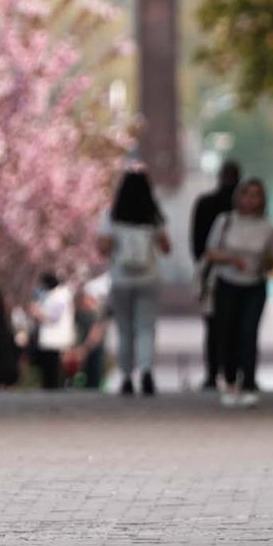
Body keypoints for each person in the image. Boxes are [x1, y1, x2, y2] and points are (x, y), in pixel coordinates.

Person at [203, 176, 273, 408]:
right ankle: (229, 380)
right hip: (227, 283)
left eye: (256, 195)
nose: (250, 200)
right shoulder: (225, 221)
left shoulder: (267, 227)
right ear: (239, 197)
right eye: (247, 194)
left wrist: (264, 263)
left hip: (254, 285)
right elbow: (210, 252)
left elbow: (272, 259)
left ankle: (249, 383)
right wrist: (231, 259)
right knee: (227, 333)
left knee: (249, 333)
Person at [98, 168, 171, 396]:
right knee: (146, 327)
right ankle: (146, 371)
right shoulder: (153, 217)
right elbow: (166, 247)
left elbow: (103, 248)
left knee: (124, 329)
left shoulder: (112, 216)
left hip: (121, 279)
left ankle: (127, 377)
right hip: (149, 278)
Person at [190, 159, 241, 390]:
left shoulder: (205, 203)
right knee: (238, 326)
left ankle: (213, 373)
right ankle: (234, 372)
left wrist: (203, 265)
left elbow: (196, 243)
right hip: (237, 270)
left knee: (213, 325)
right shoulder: (243, 209)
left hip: (211, 270)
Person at [33, 271, 75, 389]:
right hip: (53, 338)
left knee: (53, 366)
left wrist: (38, 313)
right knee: (50, 365)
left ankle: (54, 385)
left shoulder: (59, 295)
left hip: (54, 338)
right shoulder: (56, 295)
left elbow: (54, 317)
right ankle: (52, 384)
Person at [70, 274, 110, 389]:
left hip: (93, 348)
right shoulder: (82, 313)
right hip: (86, 347)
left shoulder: (95, 313)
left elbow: (96, 332)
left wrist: (85, 348)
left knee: (94, 375)